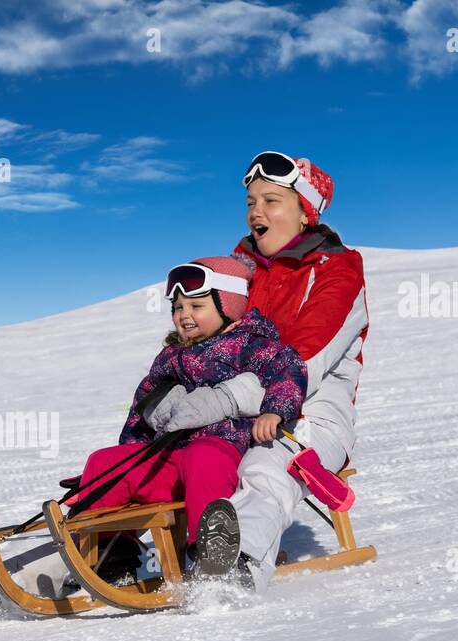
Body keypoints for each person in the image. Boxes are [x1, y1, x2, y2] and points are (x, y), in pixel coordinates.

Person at [152, 150, 369, 591]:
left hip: (309, 415)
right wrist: (170, 394)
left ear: (304, 213)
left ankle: (235, 569)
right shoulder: (237, 275)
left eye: (272, 201)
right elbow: (201, 344)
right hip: (227, 417)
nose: (256, 212)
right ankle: (73, 563)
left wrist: (221, 399)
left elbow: (304, 363)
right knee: (148, 464)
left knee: (266, 469)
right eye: (251, 202)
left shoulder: (337, 272)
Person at [69, 254, 306, 580]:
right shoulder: (170, 356)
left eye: (197, 307)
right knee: (105, 463)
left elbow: (289, 369)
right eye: (178, 308)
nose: (184, 315)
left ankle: (210, 554)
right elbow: (143, 406)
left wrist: (274, 411)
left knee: (202, 456)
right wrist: (133, 450)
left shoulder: (249, 343)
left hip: (222, 450)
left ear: (229, 306)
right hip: (168, 455)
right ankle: (111, 552)